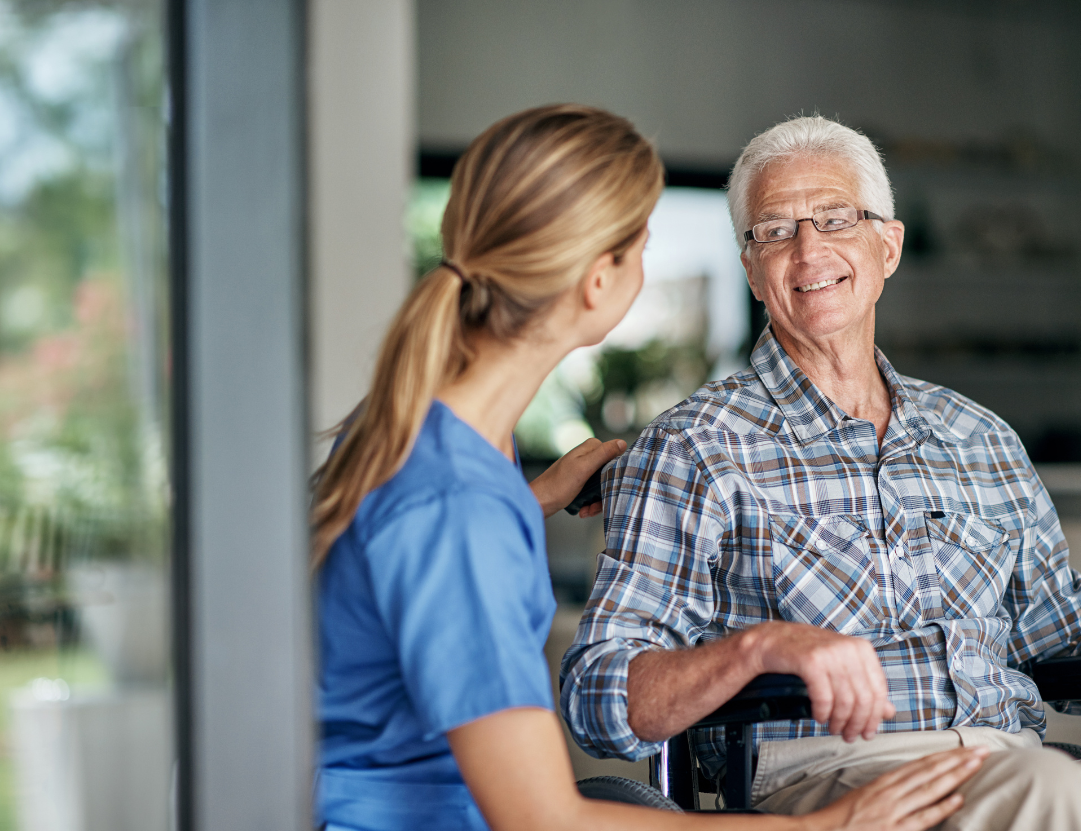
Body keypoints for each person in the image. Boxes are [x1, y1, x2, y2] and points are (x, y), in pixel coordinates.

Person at [560, 115, 1081, 831]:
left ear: (887, 245)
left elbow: (1061, 637)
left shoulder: (979, 436)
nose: (808, 250)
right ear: (750, 267)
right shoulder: (691, 445)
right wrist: (752, 651)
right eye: (773, 230)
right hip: (839, 782)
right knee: (1052, 792)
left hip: (1022, 763)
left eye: (836, 218)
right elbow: (598, 693)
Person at [311, 105, 987, 831]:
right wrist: (817, 826)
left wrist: (531, 495)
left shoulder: (438, 442)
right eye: (641, 242)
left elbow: (404, 545)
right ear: (599, 281)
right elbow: (544, 818)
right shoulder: (457, 508)